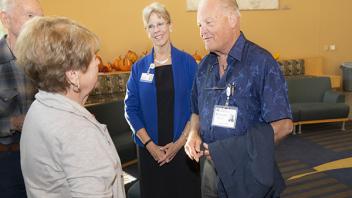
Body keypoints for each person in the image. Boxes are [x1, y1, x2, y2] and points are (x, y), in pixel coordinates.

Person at [184, 0, 293, 197]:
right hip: (210, 171)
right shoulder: (204, 67)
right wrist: (193, 133)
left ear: (233, 20)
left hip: (248, 172)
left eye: (209, 23)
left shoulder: (261, 63)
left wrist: (231, 150)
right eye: (199, 25)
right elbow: (196, 111)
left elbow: (284, 125)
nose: (202, 31)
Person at [16, 16, 125, 198]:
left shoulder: (39, 107)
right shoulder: (77, 132)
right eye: (92, 58)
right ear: (73, 75)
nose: (99, 62)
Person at [124, 2, 201, 198]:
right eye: (151, 26)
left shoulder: (188, 63)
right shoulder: (139, 68)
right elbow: (130, 109)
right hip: (150, 152)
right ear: (146, 31)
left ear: (170, 26)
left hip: (184, 149)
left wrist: (179, 143)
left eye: (160, 23)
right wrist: (150, 145)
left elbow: (197, 105)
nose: (156, 30)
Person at [0, 0, 43, 197]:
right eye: (29, 16)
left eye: (40, 18)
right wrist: (13, 122)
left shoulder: (45, 61)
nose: (38, 24)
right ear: (5, 19)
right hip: (7, 163)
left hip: (42, 158)